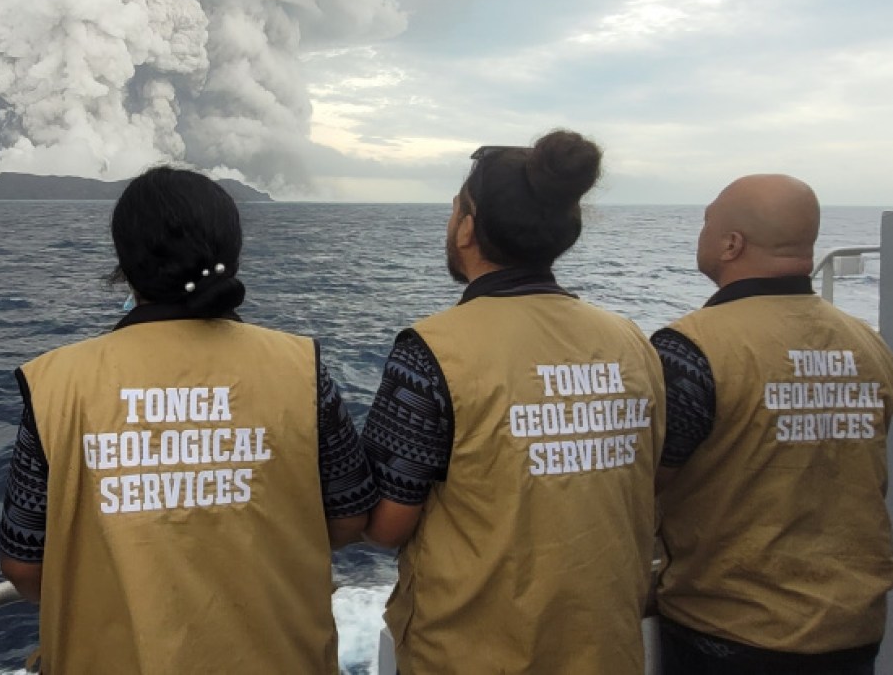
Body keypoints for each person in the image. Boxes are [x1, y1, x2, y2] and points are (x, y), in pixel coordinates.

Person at [0, 165, 378, 674]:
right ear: (234, 254)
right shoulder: (300, 369)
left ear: (125, 264)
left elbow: (24, 567)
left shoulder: (57, 384)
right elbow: (351, 517)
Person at [361, 130, 665, 674]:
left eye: (454, 210)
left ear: (468, 229)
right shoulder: (633, 343)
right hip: (606, 650)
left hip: (470, 655)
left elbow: (387, 526)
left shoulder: (432, 352)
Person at [653, 174, 893, 674]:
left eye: (705, 223)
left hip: (728, 630)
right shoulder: (869, 345)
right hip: (853, 630)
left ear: (732, 243)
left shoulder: (691, 348)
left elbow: (647, 482)